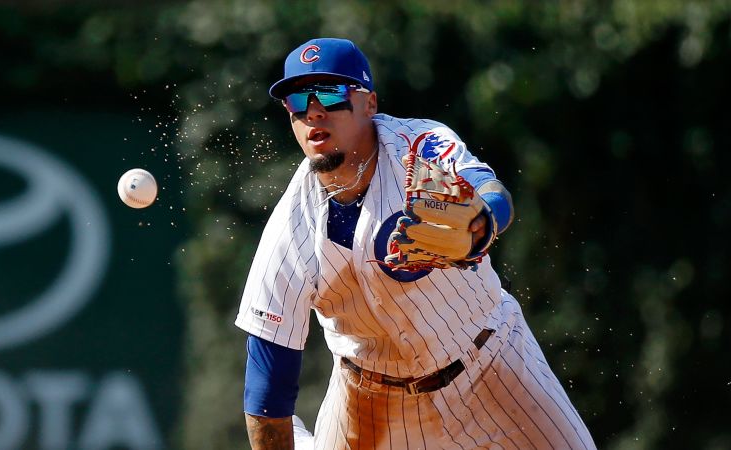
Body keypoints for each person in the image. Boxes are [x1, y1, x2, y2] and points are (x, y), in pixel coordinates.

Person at [235, 37, 596, 450]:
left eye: (331, 93)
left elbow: (491, 191)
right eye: (298, 100)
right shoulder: (291, 231)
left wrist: (482, 221)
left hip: (493, 360)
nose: (313, 110)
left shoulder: (418, 151)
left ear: (369, 103)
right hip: (372, 401)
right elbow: (267, 393)